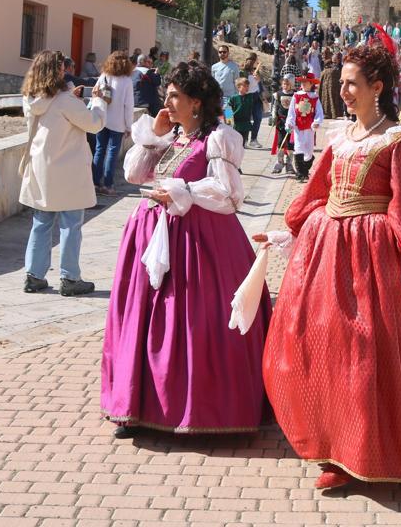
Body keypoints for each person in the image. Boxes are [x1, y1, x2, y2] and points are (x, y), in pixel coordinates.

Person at [256, 43, 401, 490]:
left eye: (351, 83)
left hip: (374, 258)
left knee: (371, 352)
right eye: (340, 82)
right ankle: (336, 447)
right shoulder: (341, 139)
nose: (342, 91)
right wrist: (297, 230)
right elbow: (317, 191)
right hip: (328, 252)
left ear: (377, 87)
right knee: (326, 346)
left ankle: (380, 446)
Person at [102, 63, 269, 437]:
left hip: (198, 241)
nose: (168, 102)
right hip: (152, 234)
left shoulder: (217, 138)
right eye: (167, 95)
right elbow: (133, 175)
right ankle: (135, 405)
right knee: (144, 318)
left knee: (191, 319)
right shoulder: (172, 136)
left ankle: (202, 409)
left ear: (196, 102)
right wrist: (152, 137)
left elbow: (228, 194)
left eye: (175, 95)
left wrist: (183, 192)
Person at [19, 50, 108, 296]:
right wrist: (99, 102)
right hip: (67, 169)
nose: (65, 71)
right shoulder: (64, 101)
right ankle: (69, 278)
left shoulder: (30, 98)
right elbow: (94, 123)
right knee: (70, 225)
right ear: (54, 71)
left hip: (41, 167)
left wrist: (70, 94)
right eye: (61, 68)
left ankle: (34, 275)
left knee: (41, 222)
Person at [91, 50, 136, 196]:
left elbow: (94, 92)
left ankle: (95, 183)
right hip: (118, 122)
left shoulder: (104, 76)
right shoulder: (126, 81)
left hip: (101, 118)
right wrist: (129, 126)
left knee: (99, 150)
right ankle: (108, 185)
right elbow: (128, 105)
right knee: (112, 153)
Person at [287, 73, 323, 182]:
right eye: (302, 82)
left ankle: (306, 169)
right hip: (298, 126)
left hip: (309, 127)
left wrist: (317, 122)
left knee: (308, 149)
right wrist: (290, 122)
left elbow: (319, 112)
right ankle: (300, 174)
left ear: (311, 84)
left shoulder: (315, 97)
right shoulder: (296, 96)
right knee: (298, 148)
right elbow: (292, 111)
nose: (303, 84)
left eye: (306, 82)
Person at [271, 74, 296, 175]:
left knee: (290, 144)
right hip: (281, 123)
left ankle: (289, 164)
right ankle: (279, 162)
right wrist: (273, 117)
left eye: (287, 84)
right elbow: (274, 107)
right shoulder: (278, 94)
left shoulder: (295, 95)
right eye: (284, 83)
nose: (285, 86)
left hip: (291, 123)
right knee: (280, 143)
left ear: (291, 84)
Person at [241, 53, 264, 148]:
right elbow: (240, 84)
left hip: (256, 97)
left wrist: (258, 80)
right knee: (246, 119)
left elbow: (260, 87)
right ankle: (244, 140)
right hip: (246, 97)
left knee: (258, 118)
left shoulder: (257, 72)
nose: (257, 63)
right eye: (256, 61)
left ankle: (253, 139)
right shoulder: (243, 71)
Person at [318, 52, 346, 120]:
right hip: (334, 89)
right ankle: (334, 113)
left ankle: (327, 113)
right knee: (333, 100)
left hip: (328, 89)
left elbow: (320, 83)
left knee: (327, 100)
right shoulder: (336, 70)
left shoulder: (324, 72)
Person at [229, 77, 258, 142]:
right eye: (244, 86)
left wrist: (255, 78)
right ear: (238, 87)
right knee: (235, 142)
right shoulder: (233, 98)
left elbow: (254, 87)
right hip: (236, 124)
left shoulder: (250, 96)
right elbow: (228, 109)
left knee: (242, 142)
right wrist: (229, 122)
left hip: (246, 124)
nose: (247, 88)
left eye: (247, 86)